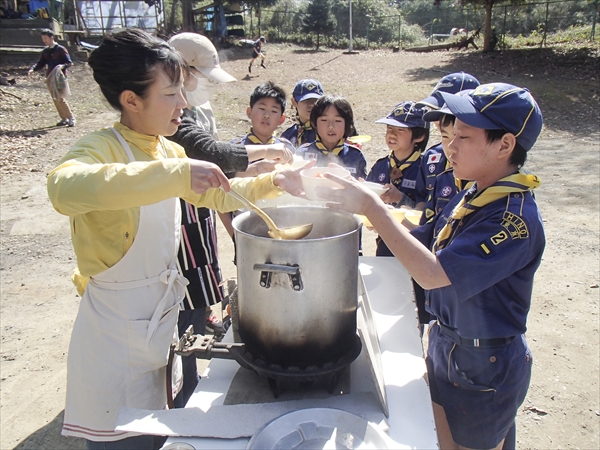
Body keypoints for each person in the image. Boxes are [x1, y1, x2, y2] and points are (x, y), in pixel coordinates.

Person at [46, 28, 307, 449]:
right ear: (131, 100)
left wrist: (277, 180)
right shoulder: (99, 148)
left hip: (160, 323)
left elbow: (220, 193)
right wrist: (176, 174)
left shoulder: (166, 150)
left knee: (158, 434)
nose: (183, 104)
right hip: (113, 335)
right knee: (121, 441)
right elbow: (63, 189)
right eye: (170, 94)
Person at [317, 82, 544, 450]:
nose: (449, 146)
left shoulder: (511, 219)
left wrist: (372, 209)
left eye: (464, 137)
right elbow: (428, 237)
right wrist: (357, 200)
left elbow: (433, 273)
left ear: (504, 145)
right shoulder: (476, 192)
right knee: (440, 441)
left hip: (484, 362)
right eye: (450, 134)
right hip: (447, 343)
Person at [166, 32, 292, 406]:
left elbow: (215, 177)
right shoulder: (168, 113)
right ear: (180, 71)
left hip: (200, 210)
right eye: (199, 76)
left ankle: (187, 368)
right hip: (179, 219)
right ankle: (182, 386)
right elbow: (206, 151)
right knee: (186, 301)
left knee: (202, 292)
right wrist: (260, 154)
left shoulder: (189, 106)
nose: (201, 84)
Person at [365, 101, 429, 256]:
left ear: (419, 135)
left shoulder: (426, 168)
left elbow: (428, 212)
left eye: (400, 129)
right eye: (389, 128)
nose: (392, 134)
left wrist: (400, 198)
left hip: (415, 248)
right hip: (385, 245)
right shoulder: (380, 166)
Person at [415, 72, 480, 213]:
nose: (438, 122)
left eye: (444, 112)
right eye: (434, 111)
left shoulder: (487, 172)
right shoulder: (431, 157)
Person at [296, 94, 367, 180]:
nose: (330, 126)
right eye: (324, 120)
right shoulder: (302, 153)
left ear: (347, 124)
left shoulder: (355, 156)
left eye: (338, 121)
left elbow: (363, 186)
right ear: (314, 123)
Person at [27, 28, 76, 127]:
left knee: (60, 98)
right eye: (43, 38)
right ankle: (63, 118)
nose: (44, 40)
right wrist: (33, 69)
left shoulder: (61, 49)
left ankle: (71, 117)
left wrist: (62, 66)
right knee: (55, 98)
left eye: (46, 38)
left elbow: (69, 62)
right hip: (50, 77)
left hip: (59, 77)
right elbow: (41, 63)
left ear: (51, 37)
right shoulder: (46, 51)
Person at [280, 78, 325, 148]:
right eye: (306, 100)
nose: (311, 104)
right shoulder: (288, 136)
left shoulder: (328, 133)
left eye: (315, 100)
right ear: (294, 102)